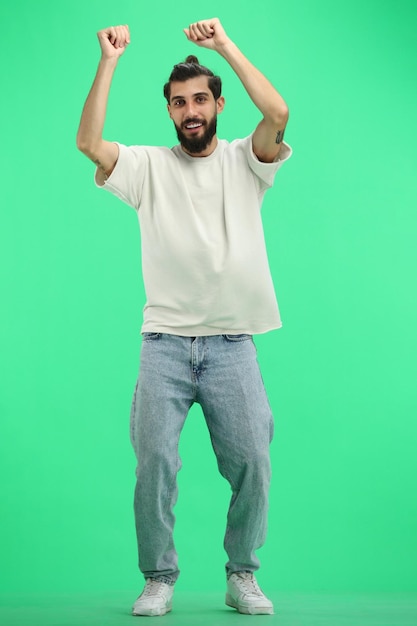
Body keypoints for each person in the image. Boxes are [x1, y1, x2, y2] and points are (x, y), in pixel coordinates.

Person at [76, 17, 292, 617]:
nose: (190, 110)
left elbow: (278, 113)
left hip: (232, 345)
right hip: (165, 345)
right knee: (156, 464)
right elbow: (90, 144)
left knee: (252, 459)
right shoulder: (149, 166)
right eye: (179, 103)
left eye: (200, 99)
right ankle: (158, 577)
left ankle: (242, 573)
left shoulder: (246, 160)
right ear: (170, 112)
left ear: (218, 104)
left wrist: (223, 45)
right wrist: (109, 61)